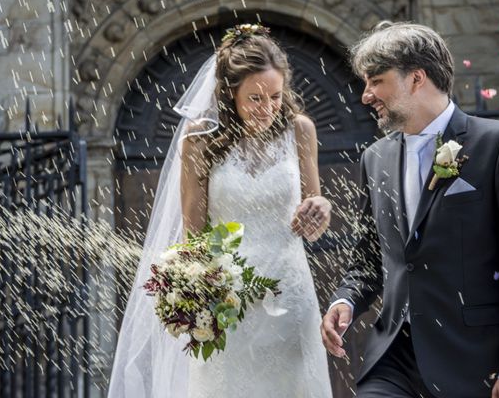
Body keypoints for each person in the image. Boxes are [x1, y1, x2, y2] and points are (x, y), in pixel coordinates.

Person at [320, 21, 499, 398]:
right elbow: (367, 258)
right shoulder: (374, 158)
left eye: (376, 80)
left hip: (475, 361)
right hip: (393, 360)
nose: (366, 95)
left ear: (417, 78)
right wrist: (345, 298)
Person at [108, 24, 333, 398]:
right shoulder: (199, 139)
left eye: (275, 97)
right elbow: (193, 235)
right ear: (230, 93)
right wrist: (195, 298)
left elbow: (314, 213)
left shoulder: (300, 131)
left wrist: (321, 208)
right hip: (227, 303)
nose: (267, 108)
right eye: (255, 98)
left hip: (290, 295)